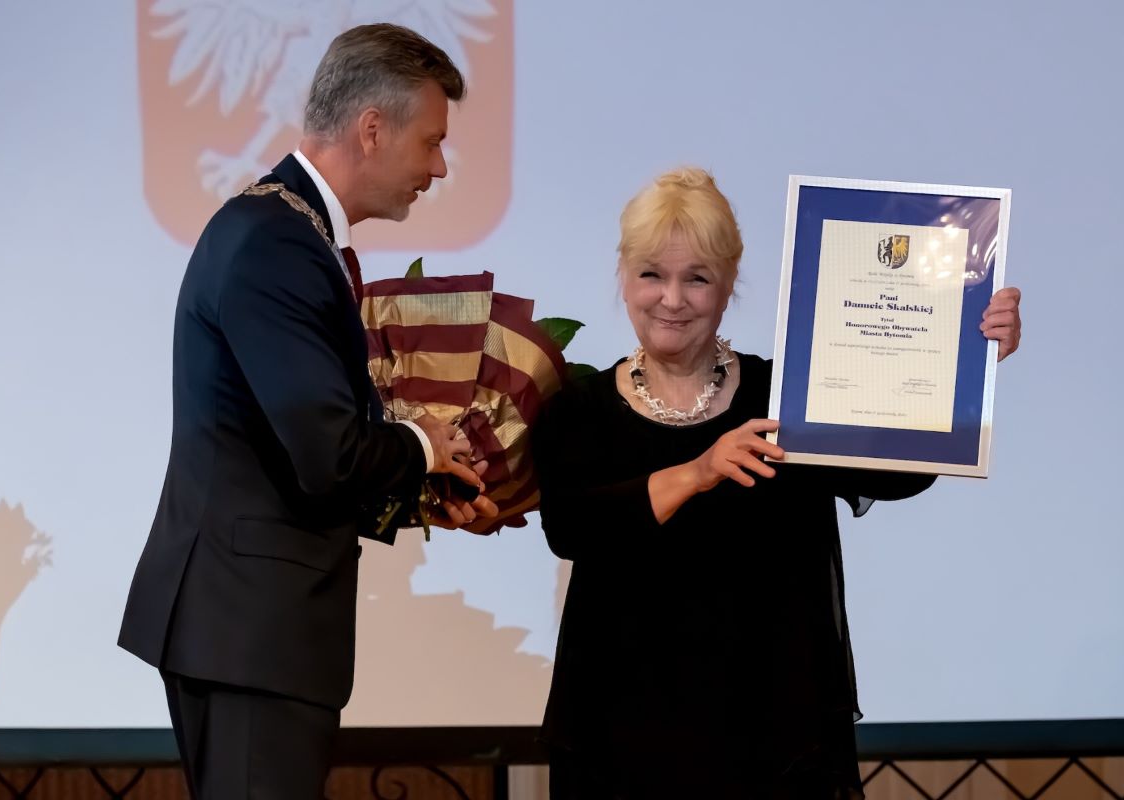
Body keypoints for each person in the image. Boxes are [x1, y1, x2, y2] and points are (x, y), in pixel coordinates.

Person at [534, 167, 1022, 798]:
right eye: (652, 274)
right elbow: (573, 527)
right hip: (621, 739)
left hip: (772, 743)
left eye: (697, 278)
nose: (672, 300)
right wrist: (699, 471)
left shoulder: (788, 399)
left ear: (729, 283)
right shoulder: (579, 410)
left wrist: (964, 361)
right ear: (623, 276)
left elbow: (896, 474)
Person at [118, 24, 494, 799]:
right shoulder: (277, 244)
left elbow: (284, 453)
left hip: (246, 631)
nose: (437, 167)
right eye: (430, 141)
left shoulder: (281, 230)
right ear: (371, 128)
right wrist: (424, 446)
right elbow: (328, 454)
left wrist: (419, 490)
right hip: (249, 634)